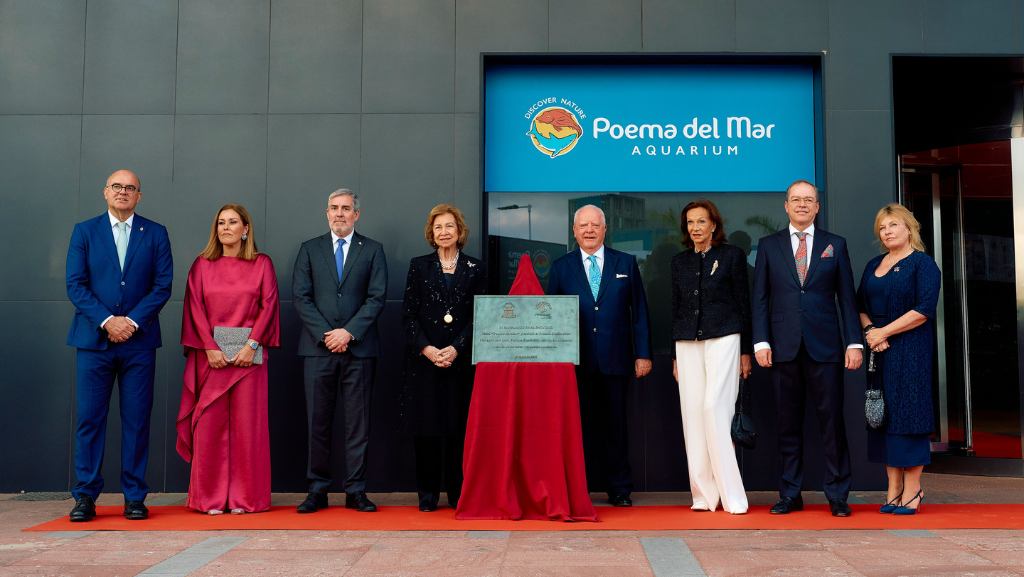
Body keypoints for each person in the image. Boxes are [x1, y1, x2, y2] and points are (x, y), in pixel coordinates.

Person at [65, 170, 173, 522]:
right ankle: (85, 497)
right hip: (94, 341)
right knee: (90, 421)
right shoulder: (85, 231)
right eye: (117, 187)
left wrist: (130, 323)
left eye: (130, 188)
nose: (123, 192)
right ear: (105, 192)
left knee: (137, 421)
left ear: (139, 196)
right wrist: (108, 321)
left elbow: (162, 286)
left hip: (138, 344)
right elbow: (75, 284)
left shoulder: (155, 233)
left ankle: (134, 496)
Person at [752, 180, 863, 517]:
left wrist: (854, 342)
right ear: (785, 206)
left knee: (832, 423)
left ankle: (838, 495)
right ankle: (790, 493)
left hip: (827, 347)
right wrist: (760, 340)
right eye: (796, 200)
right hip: (782, 348)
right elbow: (759, 298)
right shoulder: (768, 245)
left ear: (817, 206)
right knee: (787, 424)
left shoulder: (835, 244)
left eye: (808, 200)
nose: (802, 205)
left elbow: (846, 298)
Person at [175, 204, 280, 515]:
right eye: (221, 222)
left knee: (248, 428)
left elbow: (269, 304)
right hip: (211, 358)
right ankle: (209, 499)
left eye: (233, 222)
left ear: (245, 228)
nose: (226, 227)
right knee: (209, 428)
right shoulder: (201, 265)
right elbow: (194, 308)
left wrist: (250, 345)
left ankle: (245, 499)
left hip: (249, 357)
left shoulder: (262, 263)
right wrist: (209, 348)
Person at [547, 204, 652, 507]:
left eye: (595, 225)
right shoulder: (560, 267)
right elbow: (550, 317)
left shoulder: (627, 263)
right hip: (574, 363)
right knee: (579, 427)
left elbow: (640, 313)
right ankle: (579, 487)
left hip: (616, 358)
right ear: (574, 231)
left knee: (615, 427)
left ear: (606, 229)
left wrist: (643, 354)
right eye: (583, 226)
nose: (589, 230)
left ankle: (619, 488)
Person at [293, 189, 388, 513]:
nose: (339, 213)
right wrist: (327, 335)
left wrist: (348, 332)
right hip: (318, 351)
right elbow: (301, 297)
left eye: (346, 208)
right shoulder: (310, 249)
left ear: (356, 214)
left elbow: (376, 298)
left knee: (357, 426)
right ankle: (317, 491)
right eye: (334, 208)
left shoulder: (373, 250)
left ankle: (355, 491)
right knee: (316, 423)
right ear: (327, 212)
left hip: (359, 351)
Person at [401, 204, 487, 512]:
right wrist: (427, 349)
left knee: (457, 431)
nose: (444, 232)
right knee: (426, 430)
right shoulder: (419, 265)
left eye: (449, 226)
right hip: (425, 361)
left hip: (460, 362)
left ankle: (457, 494)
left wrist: (457, 348)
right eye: (438, 227)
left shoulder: (476, 268)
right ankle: (427, 496)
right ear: (431, 233)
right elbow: (409, 316)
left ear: (460, 231)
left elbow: (481, 316)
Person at [857, 203, 940, 515]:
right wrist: (870, 332)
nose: (887, 231)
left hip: (911, 351)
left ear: (909, 229)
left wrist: (884, 333)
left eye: (893, 225)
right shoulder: (872, 265)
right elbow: (859, 303)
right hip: (879, 352)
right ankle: (892, 489)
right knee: (883, 415)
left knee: (910, 415)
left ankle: (913, 489)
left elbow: (924, 310)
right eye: (882, 227)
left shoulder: (923, 264)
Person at [670, 200, 752, 515]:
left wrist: (746, 348)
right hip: (686, 340)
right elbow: (676, 306)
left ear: (714, 225)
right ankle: (704, 495)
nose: (695, 228)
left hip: (726, 337)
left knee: (714, 409)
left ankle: (733, 496)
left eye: (701, 221)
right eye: (690, 222)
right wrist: (675, 353)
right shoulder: (679, 262)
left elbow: (743, 303)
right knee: (692, 415)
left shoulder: (731, 256)